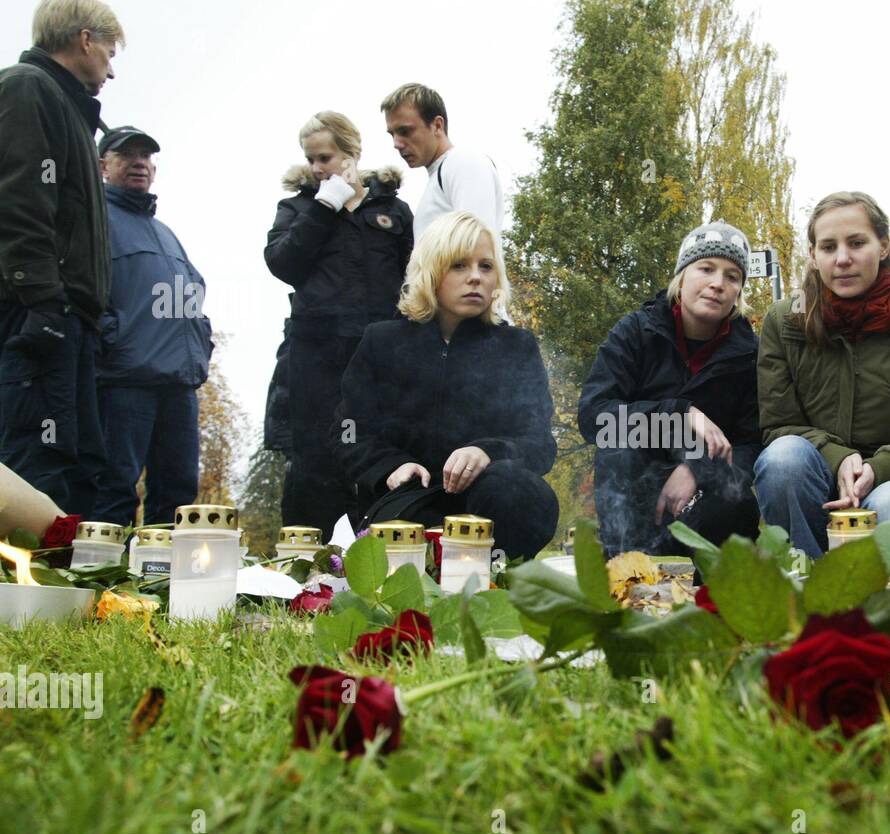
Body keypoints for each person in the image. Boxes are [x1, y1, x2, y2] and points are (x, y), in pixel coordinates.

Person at [754, 191, 890, 559]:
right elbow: (778, 425)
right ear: (813, 255)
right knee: (783, 459)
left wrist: (879, 467)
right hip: (819, 484)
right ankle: (808, 594)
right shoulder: (784, 323)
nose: (843, 259)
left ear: (884, 245)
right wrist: (839, 458)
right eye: (828, 247)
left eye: (857, 243)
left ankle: (886, 609)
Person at [336, 211, 559, 560]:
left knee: (522, 494)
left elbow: (539, 443)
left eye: (486, 267)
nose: (475, 277)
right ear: (431, 272)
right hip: (410, 500)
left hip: (488, 504)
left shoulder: (517, 347)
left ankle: (492, 581)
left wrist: (487, 452)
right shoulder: (382, 341)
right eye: (459, 265)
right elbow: (347, 430)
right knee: (402, 526)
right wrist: (390, 466)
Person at [0, 0, 124, 516]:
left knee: (79, 464)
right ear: (86, 39)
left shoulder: (71, 112)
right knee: (37, 461)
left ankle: (64, 592)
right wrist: (42, 300)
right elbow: (19, 198)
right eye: (110, 53)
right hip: (38, 312)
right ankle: (19, 595)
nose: (111, 70)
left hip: (70, 318)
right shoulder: (27, 88)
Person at [264, 111, 413, 535]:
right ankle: (306, 563)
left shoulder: (392, 210)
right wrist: (325, 203)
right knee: (314, 458)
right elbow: (282, 263)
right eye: (310, 159)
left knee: (378, 451)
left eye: (325, 157)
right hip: (315, 355)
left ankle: (382, 554)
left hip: (377, 355)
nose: (315, 167)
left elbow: (414, 280)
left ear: (352, 153)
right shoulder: (298, 207)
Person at [578, 221, 762, 559]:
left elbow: (750, 444)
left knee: (738, 503)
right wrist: (679, 413)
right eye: (706, 268)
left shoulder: (750, 353)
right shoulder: (635, 332)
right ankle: (625, 578)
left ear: (739, 291)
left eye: (732, 276)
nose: (717, 283)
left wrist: (695, 468)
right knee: (617, 444)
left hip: (704, 496)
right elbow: (594, 417)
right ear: (682, 275)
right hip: (634, 490)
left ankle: (713, 594)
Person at [93, 125, 212, 527]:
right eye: (127, 155)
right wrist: (113, 342)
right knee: (114, 487)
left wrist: (201, 345)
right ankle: (103, 580)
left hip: (179, 385)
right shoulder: (94, 220)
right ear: (102, 165)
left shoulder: (165, 233)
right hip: (125, 380)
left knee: (179, 493)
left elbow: (193, 291)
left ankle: (161, 582)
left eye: (146, 156)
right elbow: (81, 292)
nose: (139, 163)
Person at [381, 82, 504, 240]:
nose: (396, 144)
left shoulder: (463, 162)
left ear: (437, 125)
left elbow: (477, 245)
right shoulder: (441, 174)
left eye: (405, 131)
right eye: (392, 134)